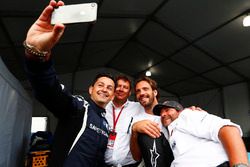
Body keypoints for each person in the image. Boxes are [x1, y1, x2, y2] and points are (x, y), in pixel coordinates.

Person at [23, 1, 116, 166]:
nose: (104, 90)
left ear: (113, 95)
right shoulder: (80, 107)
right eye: (100, 85)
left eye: (109, 88)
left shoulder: (106, 123)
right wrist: (37, 56)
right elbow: (51, 91)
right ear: (91, 89)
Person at [153, 100, 249, 167]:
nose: (163, 114)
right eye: (161, 113)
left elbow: (228, 129)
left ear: (179, 111)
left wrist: (240, 165)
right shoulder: (170, 131)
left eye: (167, 110)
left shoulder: (186, 115)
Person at [130, 76, 174, 167]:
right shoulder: (136, 120)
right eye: (138, 91)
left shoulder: (171, 112)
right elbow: (137, 157)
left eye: (145, 89)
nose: (141, 93)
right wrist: (134, 131)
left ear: (154, 92)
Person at [104, 75, 144, 167]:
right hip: (102, 163)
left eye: (125, 87)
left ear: (129, 92)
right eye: (118, 86)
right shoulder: (104, 105)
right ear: (113, 88)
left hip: (129, 164)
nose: (121, 89)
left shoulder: (138, 107)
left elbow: (152, 106)